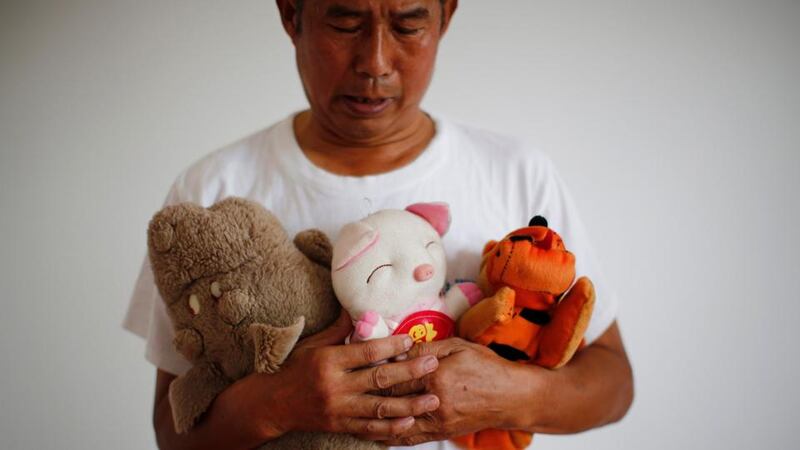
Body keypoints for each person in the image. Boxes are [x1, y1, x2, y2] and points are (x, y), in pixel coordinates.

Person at [123, 0, 634, 448]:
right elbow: (172, 432)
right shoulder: (210, 193)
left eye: (409, 25)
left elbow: (613, 384)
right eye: (344, 23)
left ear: (446, 15)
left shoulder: (516, 172)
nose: (376, 63)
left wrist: (509, 395)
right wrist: (278, 403)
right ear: (291, 15)